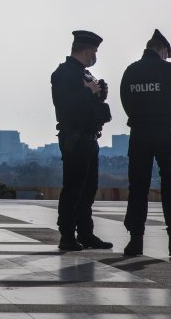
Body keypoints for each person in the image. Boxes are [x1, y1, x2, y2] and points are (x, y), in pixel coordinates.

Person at [120, 29, 171, 258]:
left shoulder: (131, 71)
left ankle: (135, 242)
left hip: (139, 134)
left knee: (138, 187)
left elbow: (126, 102)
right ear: (162, 50)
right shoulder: (169, 69)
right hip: (166, 134)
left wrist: (143, 117)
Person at [51, 30, 113, 251]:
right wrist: (88, 92)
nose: (95, 55)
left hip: (89, 137)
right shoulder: (63, 74)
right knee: (74, 189)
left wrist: (99, 95)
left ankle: (85, 233)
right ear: (87, 50)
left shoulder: (85, 74)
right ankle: (67, 235)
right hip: (75, 138)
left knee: (88, 189)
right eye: (94, 51)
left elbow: (90, 107)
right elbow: (65, 107)